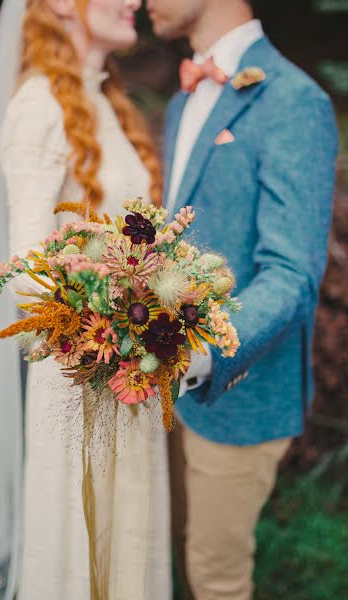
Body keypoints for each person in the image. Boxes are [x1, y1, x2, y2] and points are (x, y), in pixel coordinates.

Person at [0, 1, 171, 599]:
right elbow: (25, 272)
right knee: (82, 551)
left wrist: (173, 300)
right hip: (80, 381)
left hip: (134, 376)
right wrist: (122, 304)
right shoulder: (40, 106)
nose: (135, 2)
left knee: (130, 547)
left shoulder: (105, 105)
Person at [148, 0, 338, 598]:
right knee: (173, 552)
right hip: (165, 389)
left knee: (217, 579)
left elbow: (290, 273)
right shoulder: (182, 101)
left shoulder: (294, 100)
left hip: (239, 387)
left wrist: (202, 352)